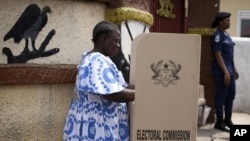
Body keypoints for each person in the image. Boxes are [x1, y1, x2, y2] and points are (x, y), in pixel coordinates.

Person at [63, 21, 135, 141]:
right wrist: (143, 94)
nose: (118, 46)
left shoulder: (92, 58)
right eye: (115, 41)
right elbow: (113, 94)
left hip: (93, 120)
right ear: (103, 38)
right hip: (98, 125)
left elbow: (120, 86)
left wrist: (145, 87)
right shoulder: (97, 61)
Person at [211, 12, 239, 132]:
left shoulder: (226, 34)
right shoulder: (218, 36)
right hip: (222, 72)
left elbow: (229, 55)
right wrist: (226, 73)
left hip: (230, 71)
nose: (229, 22)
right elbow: (218, 55)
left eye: (229, 20)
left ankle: (228, 120)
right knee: (221, 97)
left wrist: (234, 69)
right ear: (220, 22)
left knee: (230, 96)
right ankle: (219, 122)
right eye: (227, 20)